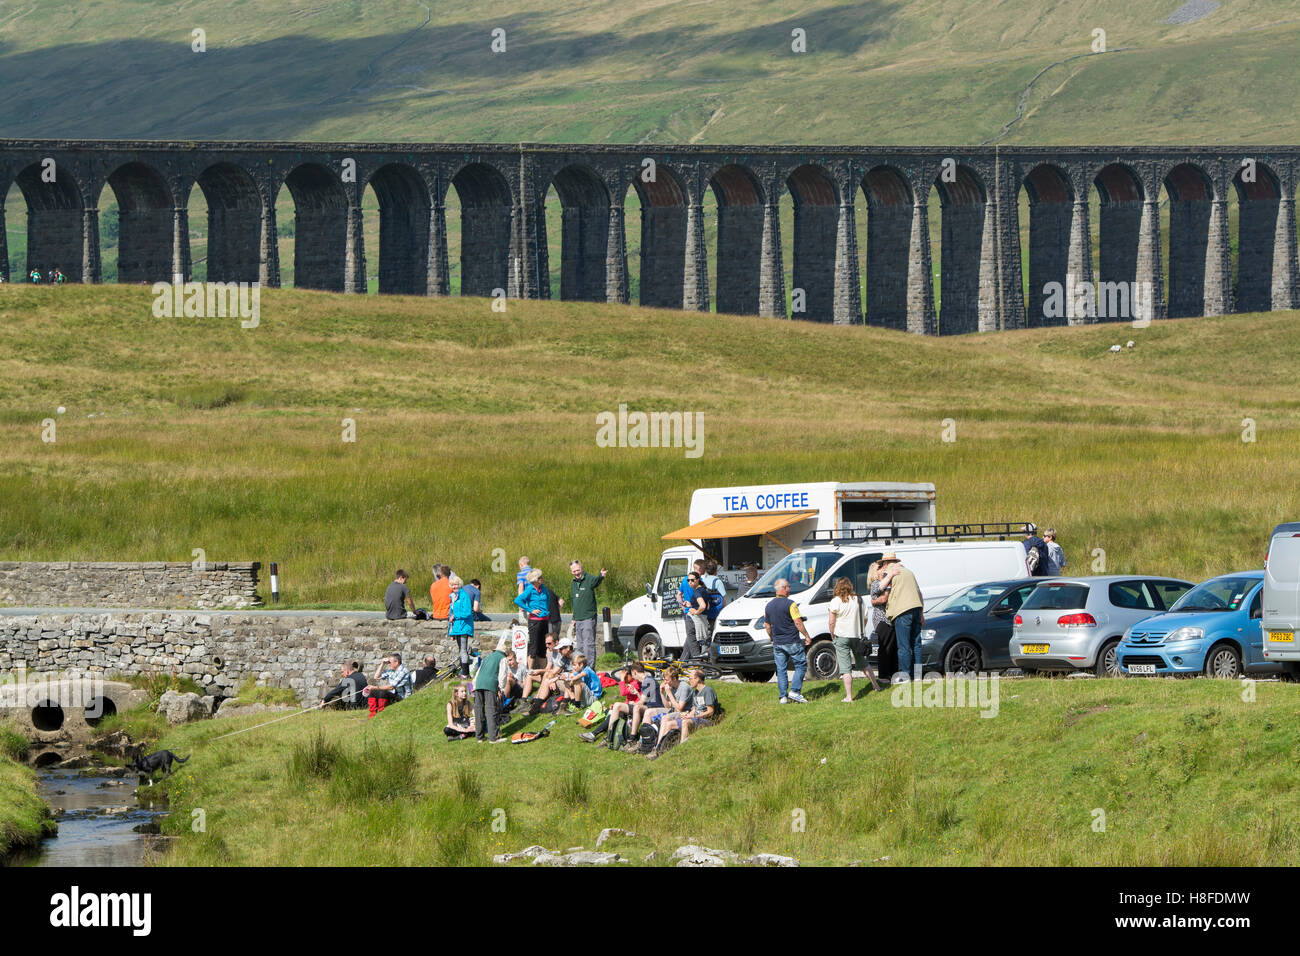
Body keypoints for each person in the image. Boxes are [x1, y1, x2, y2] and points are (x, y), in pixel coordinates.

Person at [828, 576, 879, 702]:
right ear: (850, 586)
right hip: (857, 636)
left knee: (846, 668)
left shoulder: (836, 601)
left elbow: (831, 622)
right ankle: (876, 686)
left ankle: (849, 697)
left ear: (837, 587)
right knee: (863, 664)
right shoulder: (859, 600)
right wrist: (859, 629)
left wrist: (832, 634)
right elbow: (865, 618)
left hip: (841, 636)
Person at [764, 578, 812, 704]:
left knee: (781, 669)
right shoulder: (791, 604)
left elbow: (767, 626)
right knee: (801, 665)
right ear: (784, 588)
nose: (790, 589)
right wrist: (806, 635)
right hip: (792, 641)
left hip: (778, 643)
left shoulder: (768, 606)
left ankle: (783, 697)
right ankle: (795, 691)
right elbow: (797, 622)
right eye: (788, 587)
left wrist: (771, 638)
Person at [651, 669, 717, 758]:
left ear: (697, 679)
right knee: (668, 724)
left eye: (690, 678)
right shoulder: (696, 692)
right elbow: (694, 708)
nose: (689, 681)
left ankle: (681, 750)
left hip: (705, 720)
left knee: (685, 722)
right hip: (694, 717)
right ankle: (659, 750)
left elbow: (710, 711)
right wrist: (689, 715)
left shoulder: (708, 691)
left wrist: (694, 716)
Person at [879, 552, 925, 682]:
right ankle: (917, 676)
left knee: (903, 646)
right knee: (916, 644)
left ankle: (905, 676)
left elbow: (881, 587)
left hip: (902, 611)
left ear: (886, 563)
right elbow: (919, 593)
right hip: (916, 608)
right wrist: (921, 612)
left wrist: (888, 576)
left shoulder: (889, 572)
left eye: (882, 563)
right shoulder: (909, 572)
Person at [569, 560, 606, 668]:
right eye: (574, 571)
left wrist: (601, 576)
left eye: (578, 570)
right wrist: (574, 617)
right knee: (580, 645)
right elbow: (574, 601)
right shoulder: (573, 583)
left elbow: (596, 581)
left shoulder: (588, 579)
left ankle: (590, 668)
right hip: (578, 619)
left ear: (582, 568)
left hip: (588, 618)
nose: (576, 573)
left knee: (588, 645)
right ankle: (581, 667)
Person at [472, 638, 510, 742]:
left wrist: (474, 686)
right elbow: (502, 675)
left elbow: (478, 672)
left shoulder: (487, 658)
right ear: (505, 653)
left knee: (478, 710)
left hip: (478, 684)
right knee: (491, 710)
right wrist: (501, 689)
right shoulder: (502, 658)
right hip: (490, 684)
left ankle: (479, 737)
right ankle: (493, 738)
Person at [514, 569, 551, 667]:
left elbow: (548, 598)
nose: (542, 579)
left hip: (544, 620)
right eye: (540, 578)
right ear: (535, 580)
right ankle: (529, 672)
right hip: (534, 621)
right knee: (534, 647)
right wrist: (530, 610)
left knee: (543, 647)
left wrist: (545, 610)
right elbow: (518, 600)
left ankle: (543, 673)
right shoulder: (530, 589)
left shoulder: (543, 588)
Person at [868, 561, 896, 685]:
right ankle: (883, 675)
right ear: (875, 572)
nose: (882, 569)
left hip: (888, 619)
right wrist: (889, 587)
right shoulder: (875, 584)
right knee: (884, 647)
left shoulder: (882, 583)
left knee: (891, 647)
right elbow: (883, 598)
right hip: (882, 620)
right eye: (879, 568)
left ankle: (891, 673)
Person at [363, 652, 413, 717]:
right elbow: (376, 677)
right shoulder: (392, 671)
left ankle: (382, 713)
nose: (388, 664)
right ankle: (373, 713)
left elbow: (391, 687)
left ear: (396, 662)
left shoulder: (403, 671)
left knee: (382, 692)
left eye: (390, 662)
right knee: (373, 691)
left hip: (402, 697)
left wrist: (374, 687)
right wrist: (382, 664)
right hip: (393, 695)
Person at [447, 574, 475, 678]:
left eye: (456, 585)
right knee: (461, 650)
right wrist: (451, 630)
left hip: (464, 626)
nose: (454, 587)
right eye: (452, 585)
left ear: (460, 585)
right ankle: (464, 670)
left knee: (463, 650)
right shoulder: (453, 597)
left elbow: (467, 612)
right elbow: (451, 614)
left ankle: (466, 673)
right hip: (457, 627)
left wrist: (455, 617)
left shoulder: (464, 596)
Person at [680, 571, 711, 661]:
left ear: (698, 580)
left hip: (693, 619)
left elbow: (703, 606)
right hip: (701, 619)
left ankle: (697, 663)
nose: (690, 582)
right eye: (688, 580)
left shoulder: (697, 592)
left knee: (692, 642)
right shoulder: (703, 590)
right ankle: (682, 662)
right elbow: (707, 606)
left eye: (692, 580)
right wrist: (690, 605)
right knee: (689, 641)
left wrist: (696, 612)